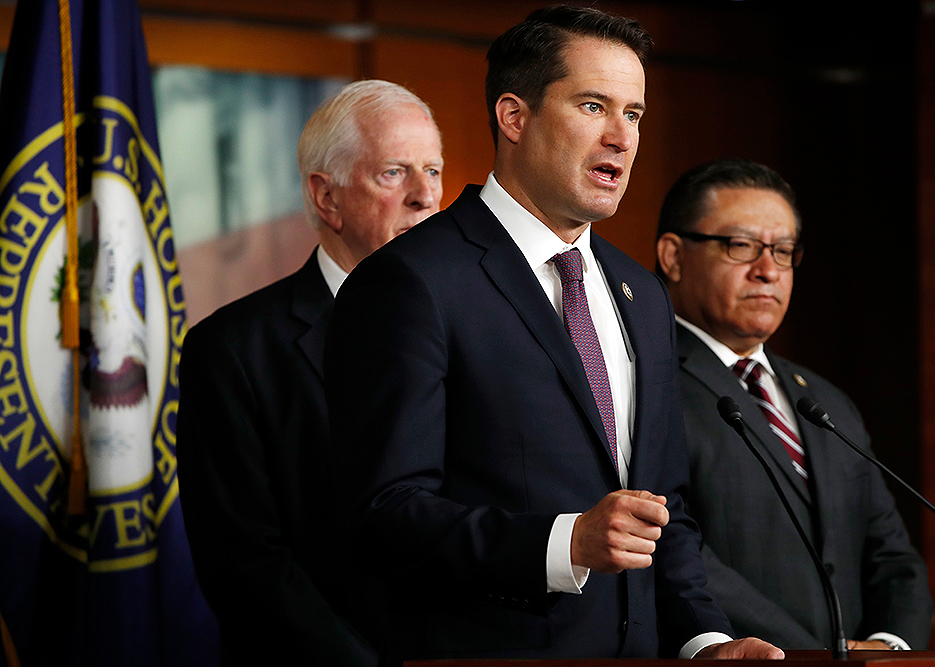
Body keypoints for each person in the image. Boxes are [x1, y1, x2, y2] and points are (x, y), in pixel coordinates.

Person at [325, 7, 782, 663]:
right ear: (515, 117)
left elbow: (664, 509)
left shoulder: (642, 293)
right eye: (594, 106)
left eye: (634, 114)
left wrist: (703, 638)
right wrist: (564, 543)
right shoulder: (412, 281)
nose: (621, 137)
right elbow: (383, 516)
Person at [176, 80, 444, 665]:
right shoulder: (231, 351)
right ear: (326, 198)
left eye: (434, 171)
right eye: (395, 172)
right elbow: (245, 566)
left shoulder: (475, 326)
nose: (427, 197)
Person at [655, 158, 933, 650]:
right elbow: (673, 544)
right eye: (740, 245)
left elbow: (892, 557)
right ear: (674, 256)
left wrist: (890, 645)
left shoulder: (825, 400)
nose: (768, 270)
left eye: (783, 251)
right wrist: (814, 655)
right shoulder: (646, 382)